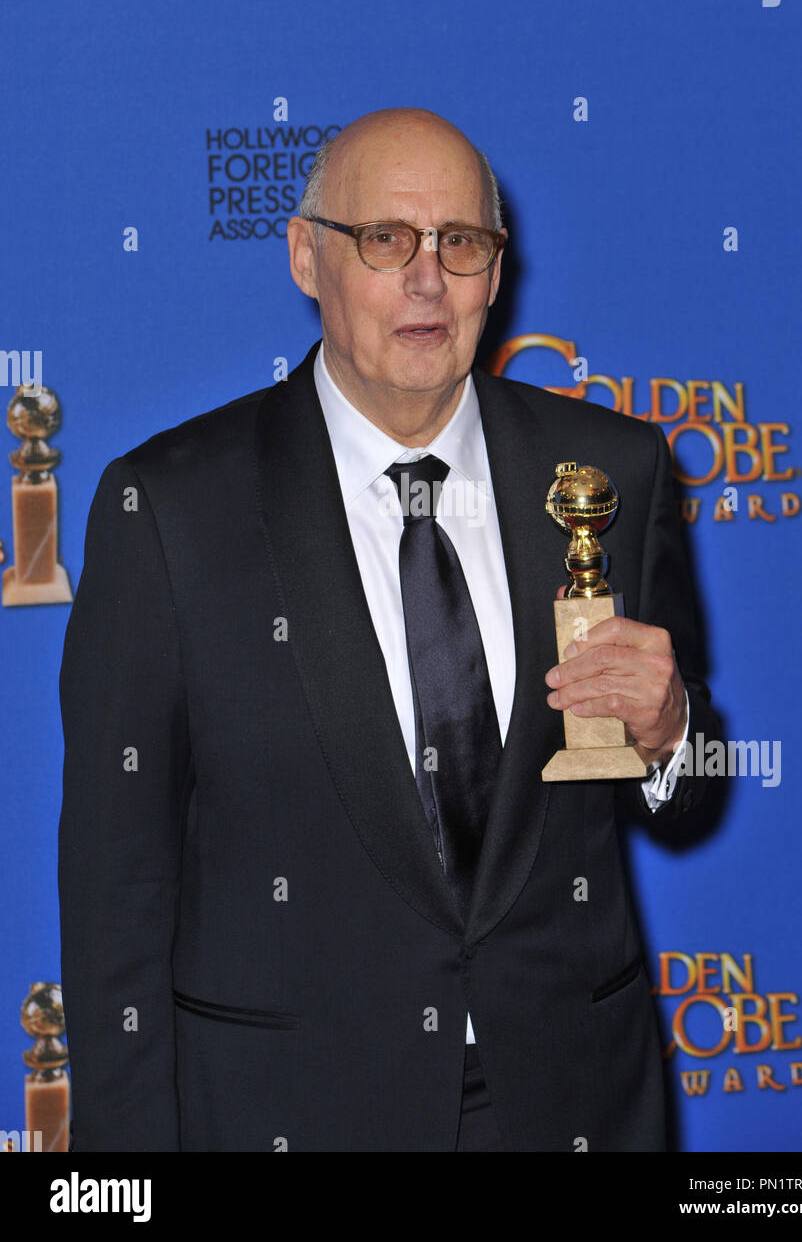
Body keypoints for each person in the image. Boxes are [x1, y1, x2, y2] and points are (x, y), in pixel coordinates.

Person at [58, 107, 718, 1153]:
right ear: (305, 256)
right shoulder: (171, 510)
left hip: (568, 1102)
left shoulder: (609, 474)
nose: (426, 280)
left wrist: (675, 730)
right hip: (289, 1112)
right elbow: (116, 888)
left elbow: (690, 801)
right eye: (385, 240)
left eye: (460, 243)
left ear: (497, 275)